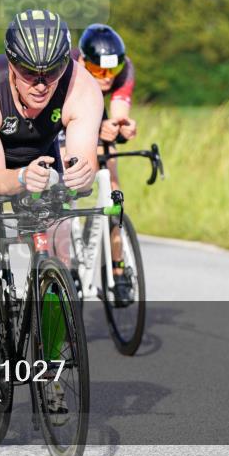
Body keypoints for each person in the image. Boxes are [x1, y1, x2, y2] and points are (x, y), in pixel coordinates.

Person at [0, 9, 103, 417]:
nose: (42, 83)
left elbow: (82, 164)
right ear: (12, 64)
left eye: (52, 71)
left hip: (40, 146)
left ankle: (49, 371)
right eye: (30, 72)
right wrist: (19, 180)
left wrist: (80, 173)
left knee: (59, 251)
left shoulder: (82, 88)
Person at [72, 24, 137, 305]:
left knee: (113, 191)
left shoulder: (123, 70)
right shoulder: (70, 69)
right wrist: (97, 130)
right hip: (68, 113)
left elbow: (119, 111)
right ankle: (64, 257)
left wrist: (121, 127)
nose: (107, 78)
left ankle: (118, 267)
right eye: (98, 71)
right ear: (84, 61)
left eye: (112, 71)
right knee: (66, 178)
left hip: (96, 113)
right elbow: (71, 121)